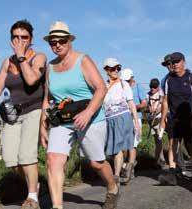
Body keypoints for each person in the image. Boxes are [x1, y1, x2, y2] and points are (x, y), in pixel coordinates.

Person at [39, 21, 118, 209]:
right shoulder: (50, 67)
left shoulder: (82, 60)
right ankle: (57, 206)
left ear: (70, 41)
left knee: (96, 163)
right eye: (53, 42)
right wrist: (43, 125)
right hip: (62, 120)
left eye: (62, 41)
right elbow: (47, 98)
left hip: (90, 118)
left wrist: (88, 112)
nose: (57, 45)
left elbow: (101, 88)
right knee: (53, 160)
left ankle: (112, 187)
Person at [0, 20, 46, 209]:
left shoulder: (39, 58)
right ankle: (35, 185)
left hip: (34, 110)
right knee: (11, 159)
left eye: (24, 37)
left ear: (31, 39)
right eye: (16, 37)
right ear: (11, 40)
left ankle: (32, 198)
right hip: (14, 114)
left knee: (26, 154)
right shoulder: (7, 62)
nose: (20, 40)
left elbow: (30, 80)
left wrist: (22, 58)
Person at [158, 52, 192, 185]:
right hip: (174, 119)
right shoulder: (168, 80)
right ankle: (172, 173)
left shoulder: (191, 78)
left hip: (189, 118)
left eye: (177, 61)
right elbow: (165, 101)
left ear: (184, 62)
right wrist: (162, 119)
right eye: (172, 62)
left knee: (191, 146)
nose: (174, 64)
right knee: (172, 144)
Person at [102, 58, 140, 187]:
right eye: (113, 68)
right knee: (114, 149)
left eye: (118, 68)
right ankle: (127, 167)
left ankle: (117, 175)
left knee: (118, 147)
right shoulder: (103, 86)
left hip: (123, 117)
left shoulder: (124, 84)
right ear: (106, 70)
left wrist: (136, 123)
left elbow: (131, 103)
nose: (116, 71)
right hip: (109, 119)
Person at [119, 68, 146, 184]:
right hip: (124, 118)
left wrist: (133, 107)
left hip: (136, 118)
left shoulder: (138, 87)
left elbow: (144, 104)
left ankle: (129, 171)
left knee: (132, 145)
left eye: (128, 80)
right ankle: (125, 166)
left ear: (132, 78)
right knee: (123, 145)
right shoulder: (121, 87)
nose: (126, 82)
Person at [146, 78, 166, 168]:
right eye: (151, 86)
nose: (152, 89)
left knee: (159, 139)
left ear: (158, 87)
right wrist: (148, 109)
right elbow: (146, 107)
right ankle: (161, 159)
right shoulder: (148, 95)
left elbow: (164, 105)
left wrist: (159, 110)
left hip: (160, 120)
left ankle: (158, 160)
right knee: (157, 141)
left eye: (154, 87)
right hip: (152, 121)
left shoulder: (161, 94)